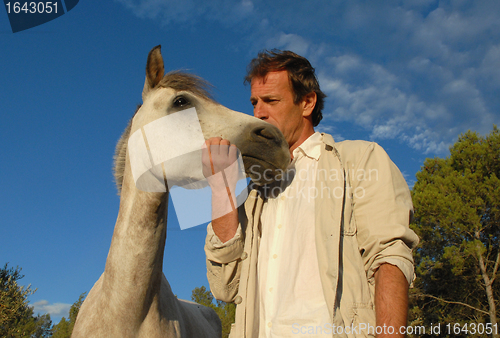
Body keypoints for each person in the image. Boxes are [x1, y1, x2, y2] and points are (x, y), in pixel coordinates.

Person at [203, 50, 419, 337]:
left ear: (307, 102)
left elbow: (389, 258)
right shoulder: (254, 193)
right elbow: (225, 288)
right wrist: (221, 188)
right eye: (254, 102)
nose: (258, 112)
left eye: (271, 100)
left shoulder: (360, 159)